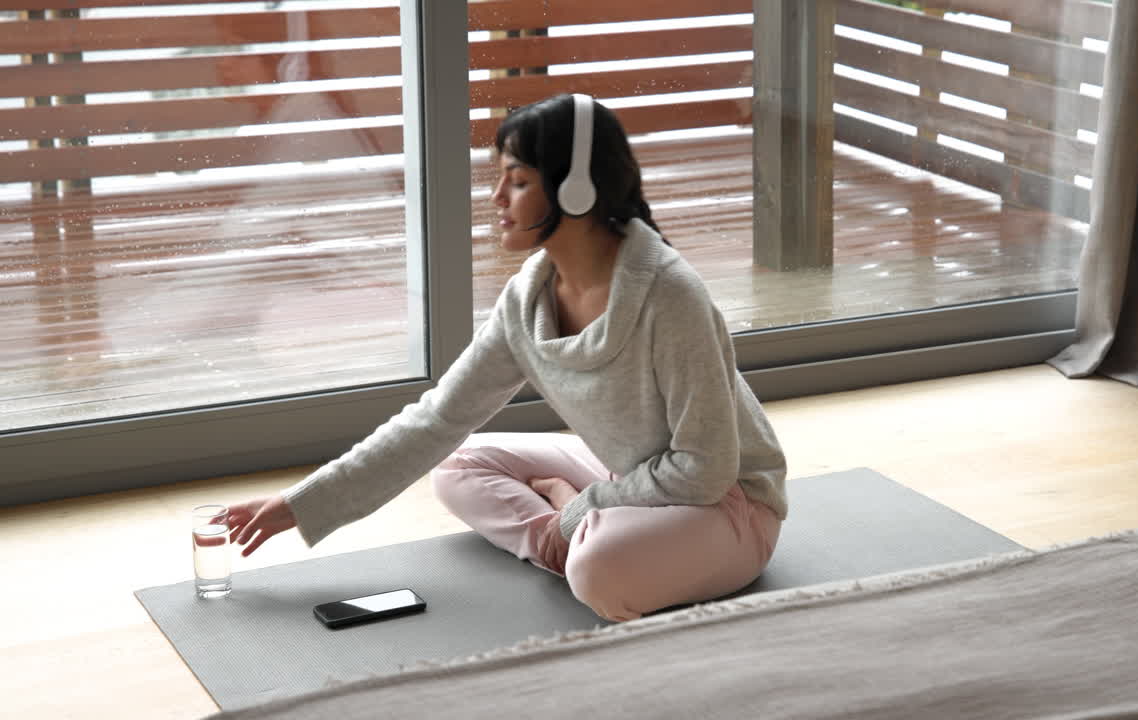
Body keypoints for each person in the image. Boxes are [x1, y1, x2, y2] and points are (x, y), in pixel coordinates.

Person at [225, 93, 788, 622]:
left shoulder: (669, 294)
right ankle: (567, 538)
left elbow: (707, 469)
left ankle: (577, 536)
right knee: (457, 464)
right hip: (632, 478)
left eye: (516, 181)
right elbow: (437, 418)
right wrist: (300, 504)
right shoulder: (528, 300)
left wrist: (577, 503)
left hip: (728, 507)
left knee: (599, 574)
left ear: (575, 190)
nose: (497, 198)